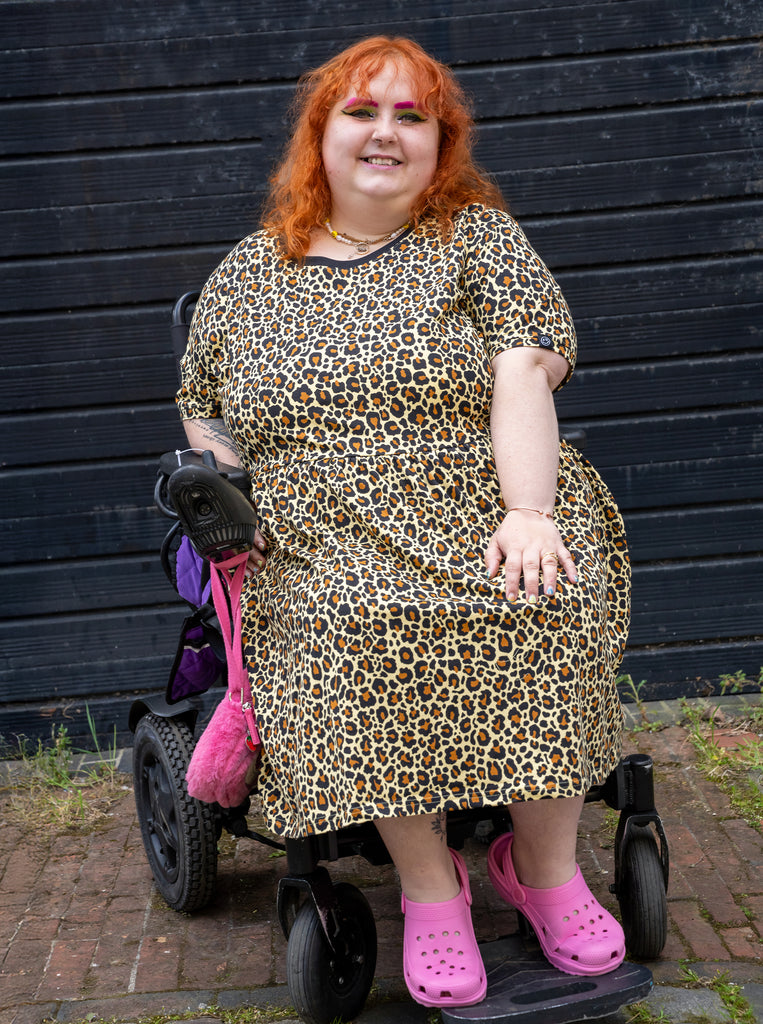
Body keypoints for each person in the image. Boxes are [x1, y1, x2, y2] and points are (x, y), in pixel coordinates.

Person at [176, 35, 631, 1009]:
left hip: (486, 489)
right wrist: (223, 487)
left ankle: (543, 870)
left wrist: (530, 511)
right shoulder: (252, 271)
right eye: (362, 111)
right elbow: (203, 400)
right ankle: (433, 887)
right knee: (352, 621)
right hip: (320, 522)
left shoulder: (476, 240)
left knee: (554, 588)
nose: (386, 131)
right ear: (321, 133)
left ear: (439, 142)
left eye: (411, 116)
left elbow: (523, 366)